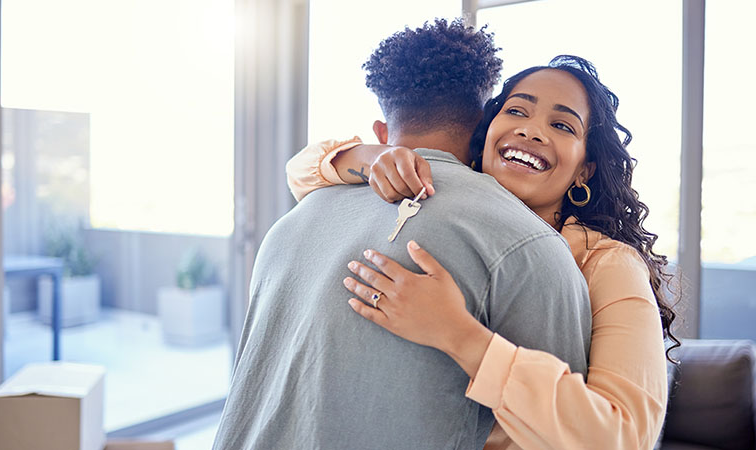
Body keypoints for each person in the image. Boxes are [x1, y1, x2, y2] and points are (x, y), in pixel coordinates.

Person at [212, 20, 592, 450]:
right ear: (484, 127)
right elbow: (565, 434)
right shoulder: (527, 244)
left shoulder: (289, 226)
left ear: (380, 133)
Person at [286, 55, 678, 449]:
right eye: (516, 110)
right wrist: (370, 157)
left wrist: (458, 334)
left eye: (561, 125)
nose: (531, 130)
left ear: (584, 170)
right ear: (486, 132)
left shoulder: (608, 264)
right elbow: (300, 172)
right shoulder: (447, 205)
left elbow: (626, 437)